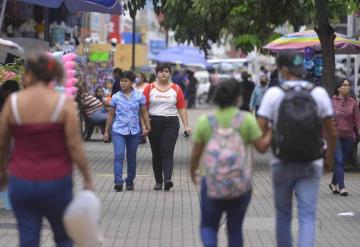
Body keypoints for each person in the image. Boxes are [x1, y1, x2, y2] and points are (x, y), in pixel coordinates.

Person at [0, 53, 93, 247]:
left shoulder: (14, 102)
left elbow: (2, 142)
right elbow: (75, 146)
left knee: (27, 237)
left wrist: (3, 171)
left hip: (21, 181)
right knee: (64, 237)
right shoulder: (62, 103)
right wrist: (87, 178)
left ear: (30, 75)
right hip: (57, 182)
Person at [257, 51, 336, 247]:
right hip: (311, 162)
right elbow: (332, 133)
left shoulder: (273, 94)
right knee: (307, 215)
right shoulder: (318, 94)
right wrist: (329, 160)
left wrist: (268, 137)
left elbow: (260, 133)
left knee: (283, 215)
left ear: (282, 69)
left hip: (281, 162)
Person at [190, 79, 271, 247]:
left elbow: (196, 153)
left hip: (211, 180)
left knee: (208, 226)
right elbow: (262, 148)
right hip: (240, 182)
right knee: (235, 228)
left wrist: (193, 172)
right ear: (238, 98)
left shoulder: (206, 121)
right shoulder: (247, 119)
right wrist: (271, 130)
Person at [143, 63, 191, 191]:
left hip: (171, 123)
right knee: (157, 153)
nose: (163, 73)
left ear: (169, 73)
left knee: (167, 151)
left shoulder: (176, 88)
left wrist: (186, 126)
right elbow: (143, 109)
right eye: (160, 71)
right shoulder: (149, 88)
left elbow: (181, 108)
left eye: (166, 71)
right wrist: (145, 125)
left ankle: (167, 180)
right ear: (156, 73)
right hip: (154, 122)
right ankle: (158, 181)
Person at [104, 71, 151, 192]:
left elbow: (144, 112)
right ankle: (118, 182)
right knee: (119, 155)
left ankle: (130, 180)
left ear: (131, 83)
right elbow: (110, 115)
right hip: (118, 130)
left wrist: (147, 126)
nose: (123, 83)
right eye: (121, 81)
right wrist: (106, 132)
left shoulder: (139, 96)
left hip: (134, 131)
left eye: (126, 81)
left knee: (131, 157)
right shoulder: (115, 97)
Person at [329, 78, 360, 196]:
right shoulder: (331, 101)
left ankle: (333, 183)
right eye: (344, 85)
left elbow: (357, 120)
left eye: (348, 85)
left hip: (348, 136)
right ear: (338, 88)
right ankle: (342, 187)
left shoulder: (353, 102)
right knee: (339, 160)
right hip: (334, 135)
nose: (347, 87)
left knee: (340, 162)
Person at [134, 73, 149, 145]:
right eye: (136, 77)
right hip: (134, 107)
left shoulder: (147, 85)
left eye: (138, 76)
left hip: (144, 107)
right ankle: (139, 137)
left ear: (142, 78)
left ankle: (143, 137)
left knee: (143, 122)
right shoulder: (133, 86)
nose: (136, 78)